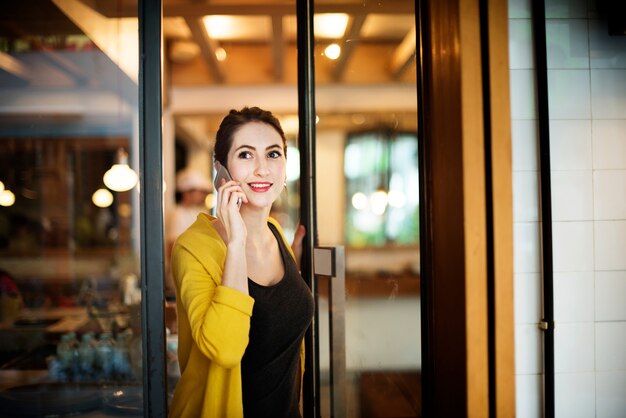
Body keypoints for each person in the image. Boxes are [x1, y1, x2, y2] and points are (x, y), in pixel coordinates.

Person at [168, 106, 312, 418]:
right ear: (221, 170)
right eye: (246, 155)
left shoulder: (276, 233)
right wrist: (235, 243)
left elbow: (276, 320)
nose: (262, 169)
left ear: (286, 167)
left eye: (273, 154)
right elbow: (225, 349)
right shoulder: (192, 247)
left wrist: (295, 273)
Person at [165, 169, 212, 299]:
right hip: (184, 272)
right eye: (200, 192)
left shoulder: (200, 212)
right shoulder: (178, 214)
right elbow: (172, 246)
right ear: (187, 192)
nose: (202, 196)